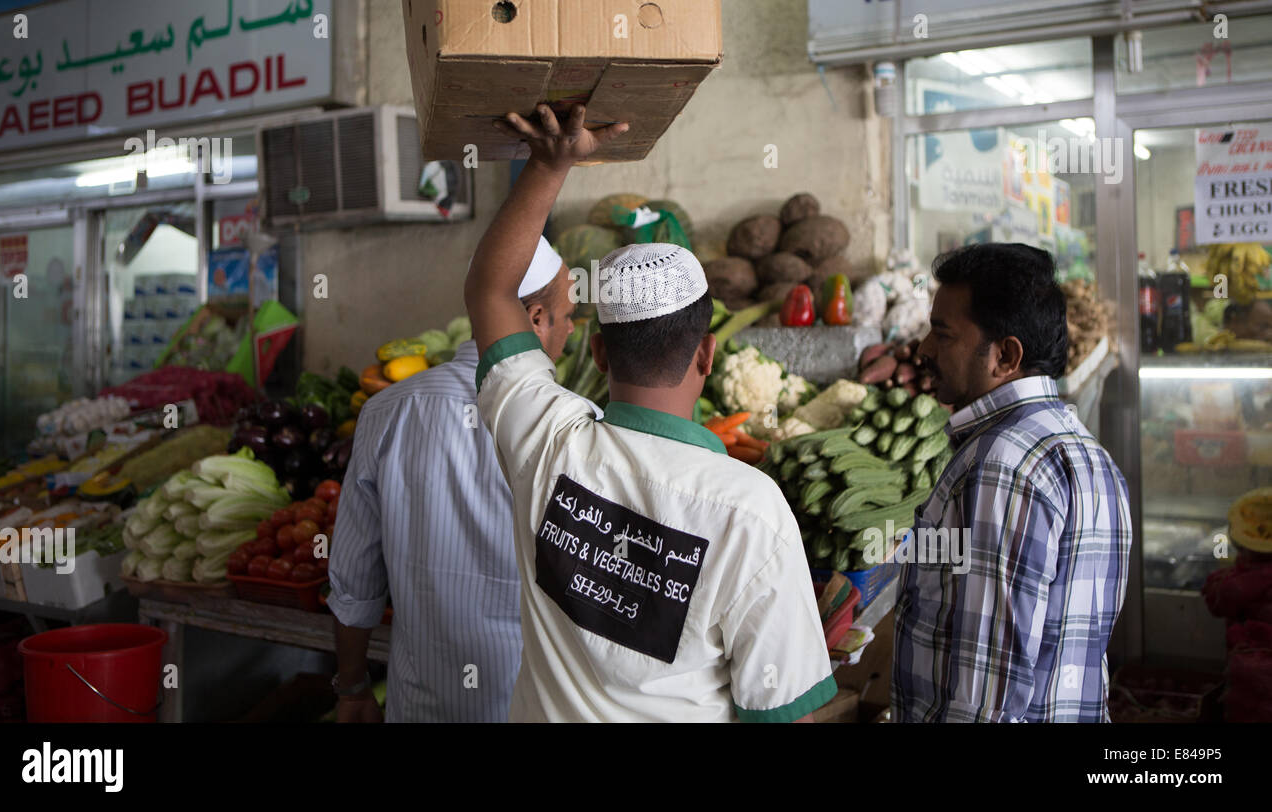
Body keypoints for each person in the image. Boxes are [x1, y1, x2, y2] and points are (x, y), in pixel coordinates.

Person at [464, 103, 835, 722]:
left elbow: (490, 289)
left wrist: (551, 165)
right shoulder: (751, 511)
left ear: (599, 352)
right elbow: (782, 712)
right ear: (708, 354)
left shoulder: (548, 439)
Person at [328, 236, 577, 722]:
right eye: (567, 317)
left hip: (420, 704)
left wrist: (352, 685)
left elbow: (354, 583)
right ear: (536, 319)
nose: (569, 331)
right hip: (535, 707)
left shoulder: (386, 411)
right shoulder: (576, 427)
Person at [891, 243, 1132, 722]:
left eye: (942, 334)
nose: (924, 350)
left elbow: (985, 697)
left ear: (1005, 355)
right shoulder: (1088, 453)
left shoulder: (1001, 466)